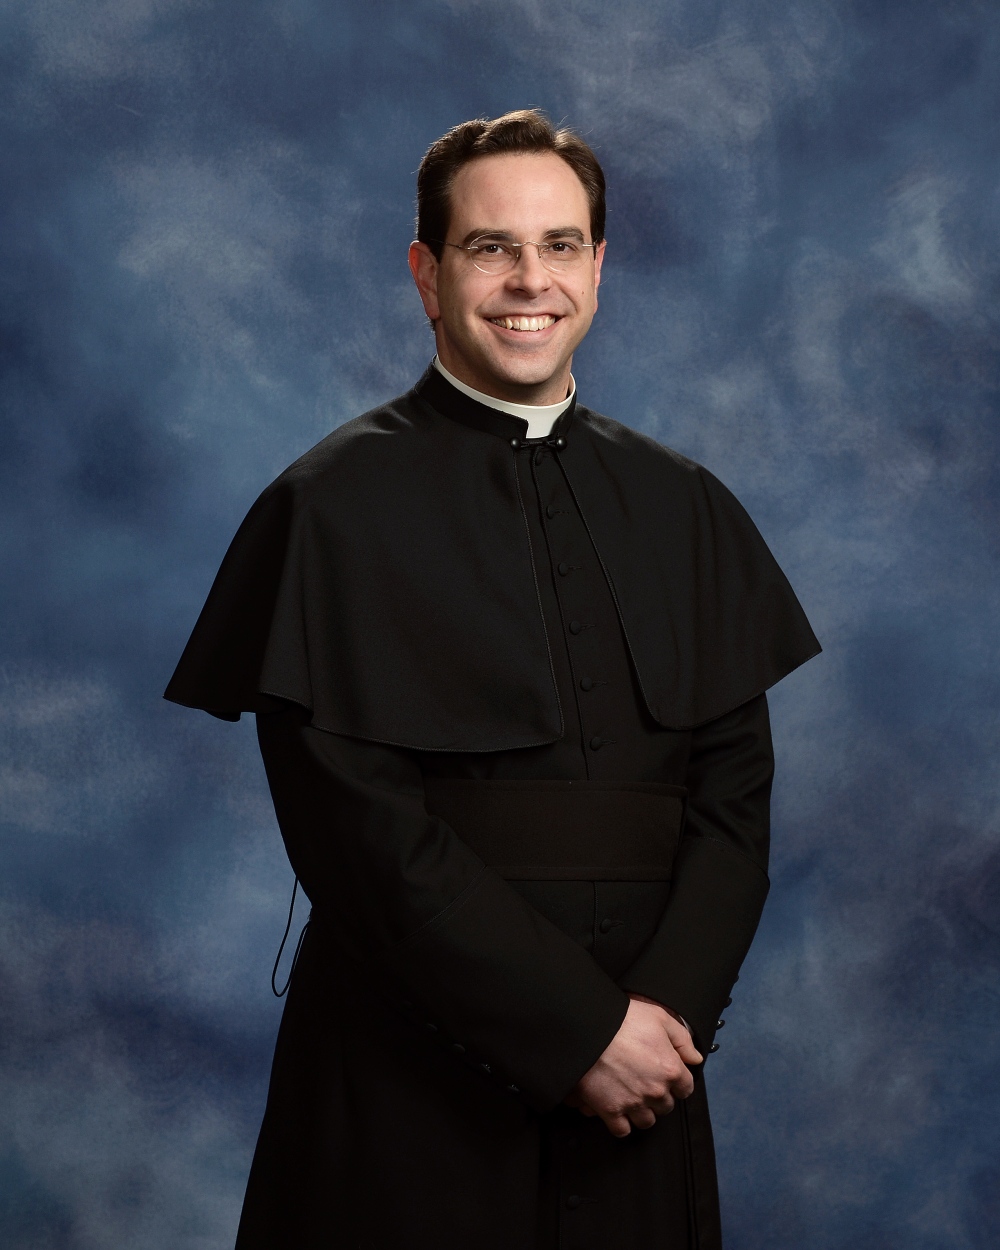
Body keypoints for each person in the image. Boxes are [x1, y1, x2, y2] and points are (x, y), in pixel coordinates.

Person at [165, 109, 820, 1250]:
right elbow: (359, 838)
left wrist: (655, 1028)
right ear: (427, 275)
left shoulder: (688, 505)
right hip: (407, 1086)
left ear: (599, 266)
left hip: (645, 1086)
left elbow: (733, 804)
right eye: (490, 247)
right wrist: (579, 1035)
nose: (531, 280)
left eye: (560, 245)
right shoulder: (327, 510)